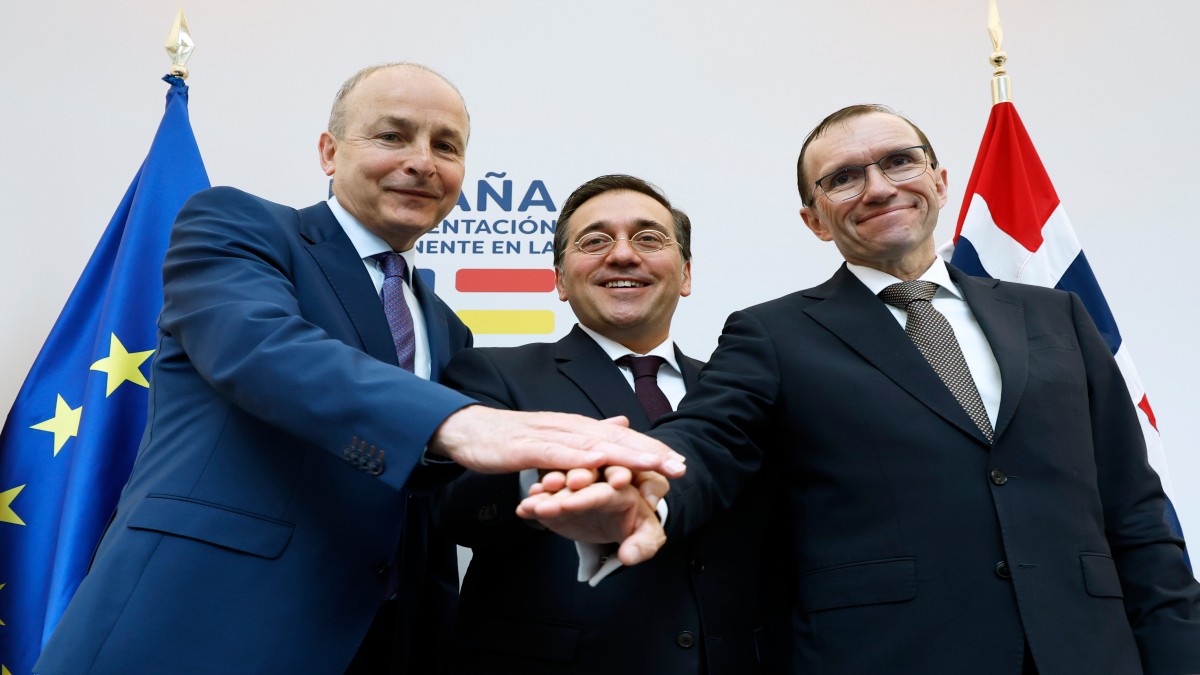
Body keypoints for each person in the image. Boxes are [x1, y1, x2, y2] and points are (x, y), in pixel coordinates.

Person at [34, 63, 683, 675]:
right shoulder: (237, 225)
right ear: (329, 152)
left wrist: (558, 501)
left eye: (446, 146)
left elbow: (434, 491)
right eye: (393, 135)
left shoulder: (446, 326)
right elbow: (264, 351)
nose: (421, 161)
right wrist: (465, 422)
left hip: (379, 644)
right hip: (195, 629)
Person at [523, 105, 1200, 674]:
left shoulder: (1057, 317)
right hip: (888, 655)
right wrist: (647, 489)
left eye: (898, 162)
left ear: (939, 180)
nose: (877, 187)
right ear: (815, 219)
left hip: (1089, 653)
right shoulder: (774, 334)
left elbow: (1136, 513)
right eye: (843, 178)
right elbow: (709, 439)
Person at [435, 174, 780, 673]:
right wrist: (547, 477)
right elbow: (454, 510)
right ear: (558, 279)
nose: (622, 255)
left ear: (685, 275)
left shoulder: (742, 390)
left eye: (648, 238)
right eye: (595, 241)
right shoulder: (492, 372)